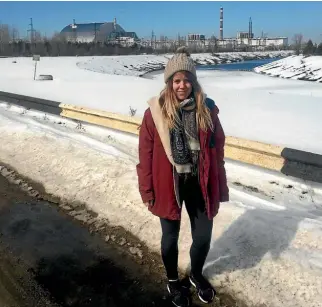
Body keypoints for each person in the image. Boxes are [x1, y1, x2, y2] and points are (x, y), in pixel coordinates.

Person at [136, 47, 229, 307]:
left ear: (194, 81)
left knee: (203, 237)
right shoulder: (155, 113)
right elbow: (145, 156)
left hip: (200, 182)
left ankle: (196, 274)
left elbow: (217, 151)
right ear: (169, 82)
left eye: (187, 79)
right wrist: (147, 190)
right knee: (170, 238)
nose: (182, 85)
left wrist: (219, 186)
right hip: (169, 184)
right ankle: (173, 279)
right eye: (177, 80)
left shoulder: (207, 109)